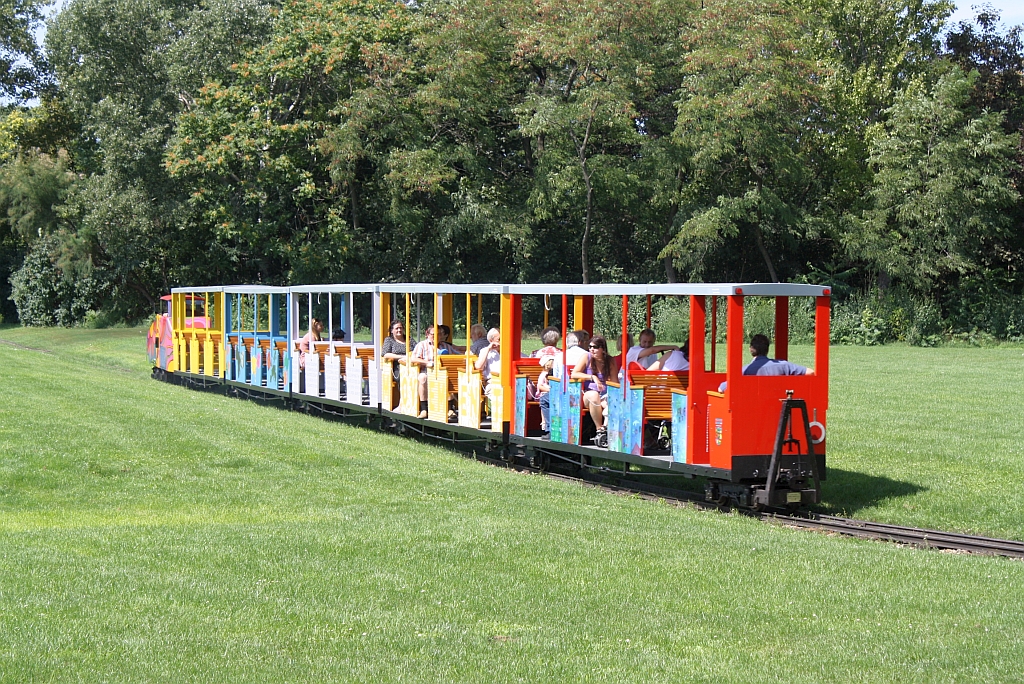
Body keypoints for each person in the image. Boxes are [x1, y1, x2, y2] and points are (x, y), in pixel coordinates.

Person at [571, 335, 620, 442]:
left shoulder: (610, 361)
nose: (592, 349)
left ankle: (607, 429)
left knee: (610, 403)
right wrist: (592, 377)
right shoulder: (586, 357)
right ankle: (599, 429)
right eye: (590, 346)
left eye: (595, 347)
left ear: (603, 349)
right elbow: (574, 374)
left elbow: (615, 381)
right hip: (587, 394)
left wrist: (615, 395)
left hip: (604, 395)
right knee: (594, 395)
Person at [717, 334, 807, 392]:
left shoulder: (746, 370)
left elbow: (721, 389)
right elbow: (810, 372)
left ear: (751, 349)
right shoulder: (784, 365)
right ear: (767, 349)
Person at [411, 325, 459, 418]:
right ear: (427, 334)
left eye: (439, 334)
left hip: (442, 372)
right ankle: (424, 409)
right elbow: (413, 358)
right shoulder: (422, 345)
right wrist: (427, 362)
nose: (437, 337)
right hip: (427, 372)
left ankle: (450, 408)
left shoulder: (445, 346)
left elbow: (456, 354)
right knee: (422, 378)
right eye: (434, 334)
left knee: (451, 376)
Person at [475, 327, 502, 410]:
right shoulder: (485, 351)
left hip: (509, 382)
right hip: (492, 383)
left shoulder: (508, 351)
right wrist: (488, 349)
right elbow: (478, 367)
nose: (502, 342)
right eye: (499, 339)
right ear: (491, 340)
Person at [536, 353, 555, 435]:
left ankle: (548, 425)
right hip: (544, 393)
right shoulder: (543, 375)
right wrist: (549, 390)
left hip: (550, 393)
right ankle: (545, 424)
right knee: (544, 401)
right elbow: (540, 386)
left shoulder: (553, 374)